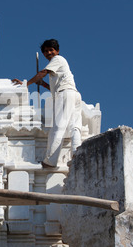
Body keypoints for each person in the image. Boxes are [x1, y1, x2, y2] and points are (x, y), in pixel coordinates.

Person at [12, 39, 82, 168]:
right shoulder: (57, 66)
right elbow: (52, 87)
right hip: (73, 94)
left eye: (51, 50)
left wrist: (25, 84)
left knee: (58, 126)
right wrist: (42, 84)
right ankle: (77, 155)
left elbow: (42, 73)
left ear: (57, 51)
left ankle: (50, 161)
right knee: (74, 127)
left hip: (65, 94)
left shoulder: (58, 60)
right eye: (46, 51)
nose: (48, 53)